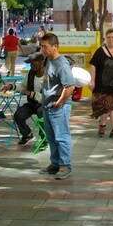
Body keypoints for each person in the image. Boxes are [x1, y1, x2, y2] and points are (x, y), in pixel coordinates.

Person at [38, 33, 75, 180]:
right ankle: (55, 163)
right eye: (41, 46)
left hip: (58, 107)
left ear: (55, 47)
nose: (42, 49)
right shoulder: (49, 60)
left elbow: (70, 87)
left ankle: (65, 165)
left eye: (45, 47)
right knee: (51, 137)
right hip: (48, 105)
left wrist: (60, 102)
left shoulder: (61, 64)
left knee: (62, 136)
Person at [4, 54, 46, 146]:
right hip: (32, 103)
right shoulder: (31, 73)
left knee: (41, 112)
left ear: (41, 63)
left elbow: (47, 96)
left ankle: (44, 138)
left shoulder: (48, 75)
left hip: (44, 104)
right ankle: (27, 134)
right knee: (18, 115)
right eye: (30, 64)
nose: (31, 65)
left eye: (33, 63)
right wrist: (12, 86)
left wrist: (31, 94)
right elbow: (23, 86)